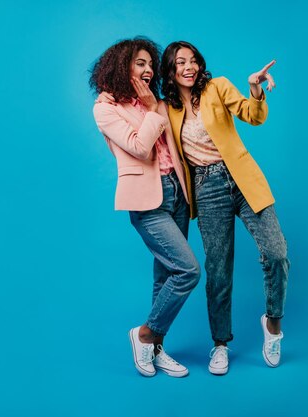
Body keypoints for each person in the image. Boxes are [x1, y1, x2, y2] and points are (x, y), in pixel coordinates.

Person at [160, 41, 290, 375]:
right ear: (171, 72)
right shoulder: (166, 109)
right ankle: (220, 344)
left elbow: (252, 115)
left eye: (192, 61)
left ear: (200, 64)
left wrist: (255, 90)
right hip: (207, 188)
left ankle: (273, 325)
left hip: (242, 177)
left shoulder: (218, 87)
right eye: (180, 63)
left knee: (276, 253)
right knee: (218, 270)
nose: (188, 67)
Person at [89, 37, 200, 377]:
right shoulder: (105, 108)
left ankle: (155, 349)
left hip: (176, 194)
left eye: (151, 64)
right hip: (145, 200)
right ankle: (144, 334)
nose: (148, 69)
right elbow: (139, 147)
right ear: (122, 65)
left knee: (165, 274)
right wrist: (152, 110)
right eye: (140, 63)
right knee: (188, 271)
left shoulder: (158, 102)